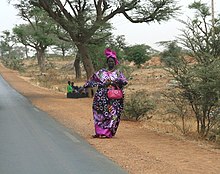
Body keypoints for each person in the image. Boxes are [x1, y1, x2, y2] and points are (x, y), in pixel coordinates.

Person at [83, 48, 128, 138]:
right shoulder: (101, 73)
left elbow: (124, 81)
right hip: (101, 97)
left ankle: (107, 133)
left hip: (113, 99)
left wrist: (113, 82)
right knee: (100, 114)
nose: (111, 63)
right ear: (107, 62)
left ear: (115, 63)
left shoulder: (118, 73)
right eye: (109, 61)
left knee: (112, 115)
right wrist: (103, 84)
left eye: (112, 61)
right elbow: (91, 81)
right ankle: (99, 132)